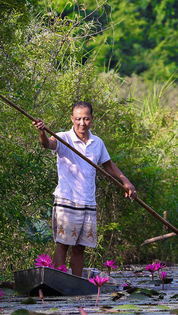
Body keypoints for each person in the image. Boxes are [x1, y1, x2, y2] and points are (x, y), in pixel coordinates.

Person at [33, 101, 137, 277]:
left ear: (92, 119)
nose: (82, 123)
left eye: (86, 119)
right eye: (78, 119)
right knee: (63, 243)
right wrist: (42, 131)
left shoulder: (97, 143)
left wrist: (126, 182)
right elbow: (47, 144)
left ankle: (76, 283)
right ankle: (59, 281)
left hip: (87, 201)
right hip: (67, 200)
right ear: (72, 119)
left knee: (80, 247)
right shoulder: (62, 138)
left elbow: (109, 165)